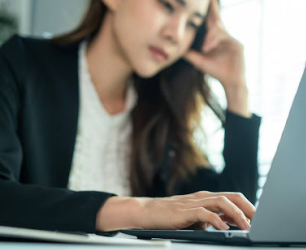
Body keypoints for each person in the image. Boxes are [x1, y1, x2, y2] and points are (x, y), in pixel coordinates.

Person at [0, 0, 261, 233]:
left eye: (193, 24)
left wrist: (237, 88)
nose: (176, 34)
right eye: (167, 6)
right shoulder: (21, 63)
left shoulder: (163, 115)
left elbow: (234, 216)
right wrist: (143, 211)